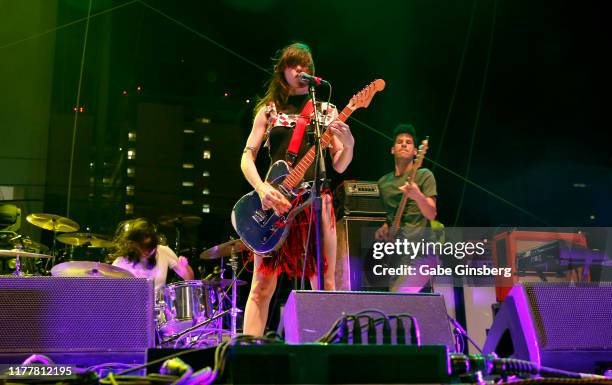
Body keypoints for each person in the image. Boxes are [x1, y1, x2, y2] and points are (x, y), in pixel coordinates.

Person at [240, 42, 354, 336]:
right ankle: (246, 355)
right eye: (294, 64)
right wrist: (262, 189)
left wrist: (349, 143)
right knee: (261, 286)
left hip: (317, 201)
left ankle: (324, 356)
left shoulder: (326, 110)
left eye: (306, 65)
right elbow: (247, 156)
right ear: (282, 72)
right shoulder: (269, 111)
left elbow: (340, 165)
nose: (301, 69)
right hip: (276, 203)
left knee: (325, 282)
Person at [374, 123, 438, 292]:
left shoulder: (424, 175)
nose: (403, 144)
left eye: (408, 142)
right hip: (397, 256)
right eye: (399, 141)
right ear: (392, 149)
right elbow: (391, 217)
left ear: (416, 152)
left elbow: (431, 213)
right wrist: (384, 228)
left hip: (421, 253)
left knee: (397, 298)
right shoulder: (383, 183)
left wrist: (417, 195)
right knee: (402, 310)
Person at [110, 218, 194, 291]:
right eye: (143, 247)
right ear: (133, 244)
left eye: (150, 248)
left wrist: (184, 266)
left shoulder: (162, 251)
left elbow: (189, 278)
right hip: (134, 307)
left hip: (160, 307)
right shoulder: (120, 262)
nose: (146, 253)